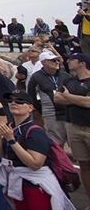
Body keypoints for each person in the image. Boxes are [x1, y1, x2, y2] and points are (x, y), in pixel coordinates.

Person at [0, 91, 76, 210]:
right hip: (19, 182)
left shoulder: (35, 131)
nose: (14, 103)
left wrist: (11, 140)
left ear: (30, 108)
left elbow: (35, 164)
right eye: (11, 101)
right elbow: (1, 154)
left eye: (20, 101)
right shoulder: (11, 128)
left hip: (35, 184)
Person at [55, 53, 90, 204]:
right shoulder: (68, 80)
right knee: (83, 164)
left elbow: (89, 103)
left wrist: (69, 97)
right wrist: (78, 99)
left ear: (82, 63)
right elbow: (57, 98)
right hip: (74, 127)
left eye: (72, 60)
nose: (68, 62)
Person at [27, 49, 70, 146]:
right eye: (53, 60)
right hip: (50, 113)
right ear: (44, 62)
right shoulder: (36, 77)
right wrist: (39, 109)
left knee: (72, 143)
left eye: (57, 60)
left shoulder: (65, 75)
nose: (56, 62)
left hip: (67, 112)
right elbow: (31, 95)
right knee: (56, 143)